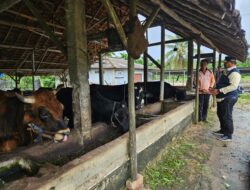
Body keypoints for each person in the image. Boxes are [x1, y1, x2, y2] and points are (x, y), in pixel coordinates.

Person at [210, 56, 241, 142]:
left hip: (229, 97)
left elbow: (233, 86)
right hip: (223, 97)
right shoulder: (228, 71)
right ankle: (223, 130)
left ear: (231, 62)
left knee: (227, 115)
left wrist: (219, 90)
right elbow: (224, 83)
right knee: (220, 113)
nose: (224, 63)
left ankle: (228, 135)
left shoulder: (235, 73)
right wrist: (215, 89)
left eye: (226, 62)